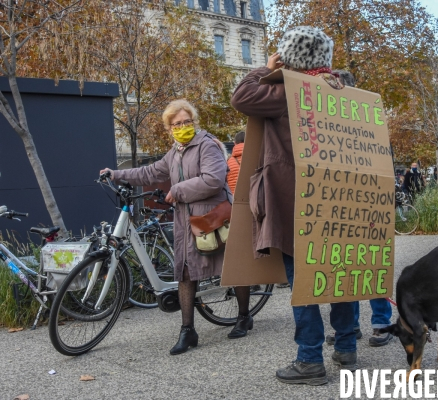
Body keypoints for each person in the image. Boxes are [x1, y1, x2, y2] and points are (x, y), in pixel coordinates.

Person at [231, 26, 356, 385]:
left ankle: (309, 360)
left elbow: (241, 96)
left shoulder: (286, 92)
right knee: (339, 275)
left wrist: (264, 68)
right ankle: (346, 347)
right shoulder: (343, 92)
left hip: (295, 204)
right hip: (337, 202)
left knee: (303, 281)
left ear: (289, 58)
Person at [99, 99, 253, 355]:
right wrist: (116, 174)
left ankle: (244, 316)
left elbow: (214, 180)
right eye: (177, 124)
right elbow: (149, 173)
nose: (183, 127)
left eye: (187, 121)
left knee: (230, 266)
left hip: (213, 218)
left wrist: (178, 189)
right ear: (169, 128)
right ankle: (187, 330)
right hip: (186, 220)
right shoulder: (175, 152)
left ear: (194, 121)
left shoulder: (207, 145)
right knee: (184, 272)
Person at [321, 69, 392, 349]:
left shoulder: (370, 123)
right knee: (342, 269)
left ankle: (381, 323)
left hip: (368, 208)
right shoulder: (327, 124)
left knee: (373, 266)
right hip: (338, 209)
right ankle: (350, 326)